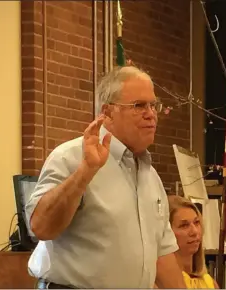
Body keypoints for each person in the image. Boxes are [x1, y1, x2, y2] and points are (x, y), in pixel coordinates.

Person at [25, 66, 187, 289]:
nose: (151, 114)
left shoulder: (150, 176)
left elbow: (162, 254)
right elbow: (41, 228)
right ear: (108, 112)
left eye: (153, 105)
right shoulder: (71, 157)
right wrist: (86, 171)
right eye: (138, 106)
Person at [164, 195, 219, 289]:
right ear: (166, 232)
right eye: (184, 225)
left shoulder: (210, 283)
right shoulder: (159, 283)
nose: (194, 232)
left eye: (196, 222)